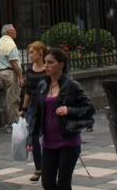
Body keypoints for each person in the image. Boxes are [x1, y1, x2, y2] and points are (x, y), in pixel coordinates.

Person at [30, 47, 94, 190]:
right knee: (47, 183)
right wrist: (31, 137)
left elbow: (89, 108)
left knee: (63, 184)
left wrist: (68, 110)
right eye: (45, 62)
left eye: (50, 62)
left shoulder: (71, 85)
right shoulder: (42, 85)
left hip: (68, 142)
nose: (46, 65)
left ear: (61, 64)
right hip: (48, 143)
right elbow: (36, 113)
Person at [20, 41, 48, 183]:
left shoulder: (48, 69)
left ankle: (50, 165)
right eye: (29, 52)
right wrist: (24, 109)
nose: (30, 55)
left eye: (32, 52)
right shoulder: (30, 70)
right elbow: (28, 92)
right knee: (34, 137)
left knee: (49, 135)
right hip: (33, 107)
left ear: (40, 52)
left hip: (47, 105)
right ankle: (38, 168)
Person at [0, 24, 24, 127]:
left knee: (8, 99)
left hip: (2, 73)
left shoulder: (1, 41)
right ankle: (14, 124)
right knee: (13, 100)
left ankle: (10, 122)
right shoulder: (10, 43)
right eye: (13, 30)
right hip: (11, 73)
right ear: (8, 32)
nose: (16, 32)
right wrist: (20, 77)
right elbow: (14, 62)